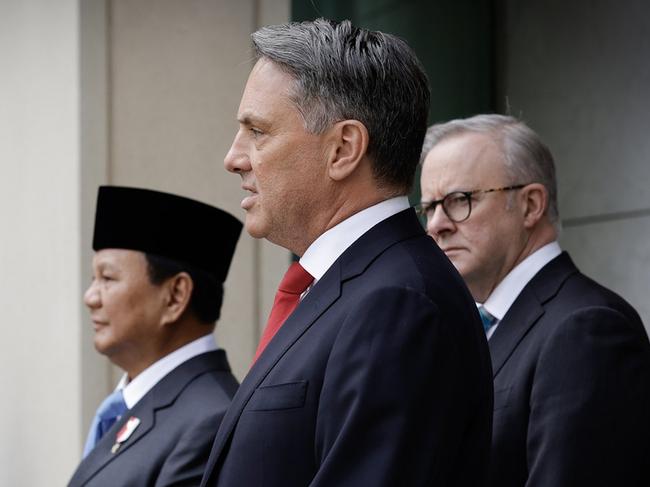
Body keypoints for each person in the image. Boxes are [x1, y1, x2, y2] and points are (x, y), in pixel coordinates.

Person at [199, 18, 493, 487]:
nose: (234, 158)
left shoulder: (397, 305)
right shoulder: (351, 288)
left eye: (258, 131)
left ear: (343, 148)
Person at [419, 113, 650, 487]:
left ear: (530, 205)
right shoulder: (471, 329)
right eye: (430, 208)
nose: (436, 225)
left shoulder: (586, 330)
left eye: (459, 200)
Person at [68, 186, 242, 487]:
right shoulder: (131, 407)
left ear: (175, 296)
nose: (90, 297)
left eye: (107, 278)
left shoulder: (209, 420)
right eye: (93, 279)